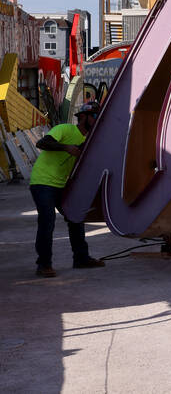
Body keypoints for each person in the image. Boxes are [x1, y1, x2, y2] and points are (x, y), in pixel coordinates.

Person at [30, 101, 105, 277]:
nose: (96, 120)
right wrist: (66, 148)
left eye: (97, 117)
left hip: (62, 184)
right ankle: (43, 264)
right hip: (43, 182)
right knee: (47, 221)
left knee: (76, 216)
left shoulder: (88, 141)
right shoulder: (65, 129)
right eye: (93, 116)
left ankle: (81, 258)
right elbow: (42, 143)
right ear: (83, 117)